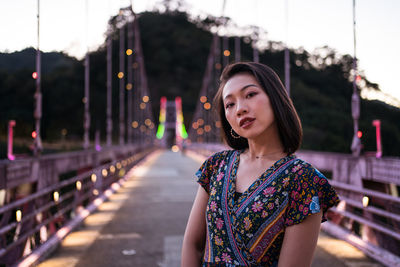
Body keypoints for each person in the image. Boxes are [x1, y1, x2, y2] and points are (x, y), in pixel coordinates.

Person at [181, 62, 340, 267]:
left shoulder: (303, 179)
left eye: (250, 95)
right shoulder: (216, 166)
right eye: (230, 104)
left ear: (275, 99)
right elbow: (193, 245)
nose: (240, 109)